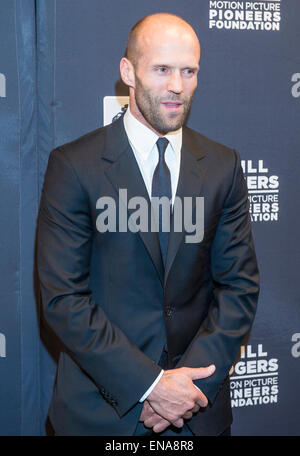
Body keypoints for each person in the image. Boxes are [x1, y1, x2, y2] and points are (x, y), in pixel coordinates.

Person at [37, 13, 259, 436]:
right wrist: (151, 385)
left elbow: (239, 287)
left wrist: (190, 389)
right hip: (103, 415)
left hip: (197, 413)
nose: (178, 85)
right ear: (128, 72)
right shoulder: (74, 167)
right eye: (162, 69)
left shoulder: (222, 166)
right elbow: (63, 298)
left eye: (189, 71)